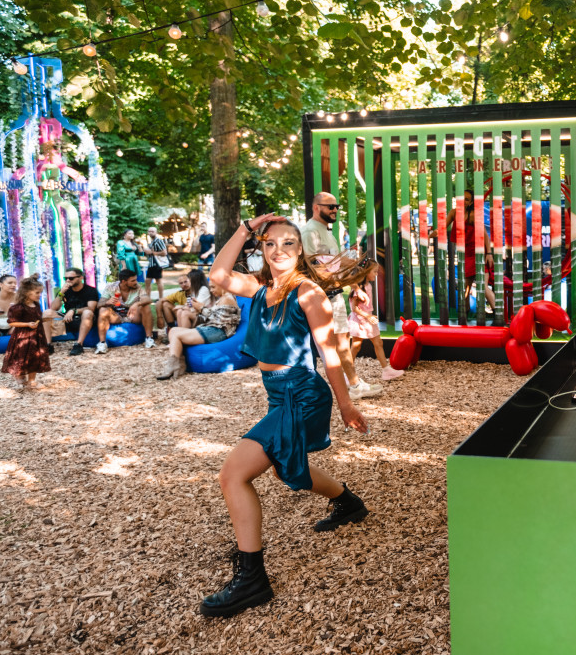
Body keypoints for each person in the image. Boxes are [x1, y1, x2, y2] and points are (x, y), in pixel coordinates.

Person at [199, 213, 370, 618]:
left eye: (288, 243)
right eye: (270, 243)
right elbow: (218, 274)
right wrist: (245, 229)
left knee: (232, 475)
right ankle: (348, 503)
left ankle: (252, 580)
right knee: (284, 467)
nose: (279, 250)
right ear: (261, 249)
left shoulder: (308, 292)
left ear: (300, 249)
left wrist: (346, 404)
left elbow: (329, 353)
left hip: (303, 394)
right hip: (279, 394)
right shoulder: (260, 288)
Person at [301, 192, 383, 399]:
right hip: (324, 297)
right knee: (334, 345)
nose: (335, 210)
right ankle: (349, 387)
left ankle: (353, 383)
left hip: (334, 295)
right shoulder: (310, 231)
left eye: (336, 206)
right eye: (330, 206)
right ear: (316, 207)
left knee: (342, 342)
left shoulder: (325, 231)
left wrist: (356, 285)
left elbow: (335, 264)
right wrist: (342, 279)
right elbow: (312, 265)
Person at [157, 279, 240, 380]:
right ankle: (179, 363)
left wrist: (201, 308)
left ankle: (172, 366)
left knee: (176, 335)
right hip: (212, 329)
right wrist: (198, 308)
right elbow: (213, 316)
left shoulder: (227, 298)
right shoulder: (223, 298)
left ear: (222, 285)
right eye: (210, 287)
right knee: (173, 330)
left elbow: (216, 320)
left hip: (218, 332)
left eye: (213, 287)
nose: (211, 290)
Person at [431, 189, 497, 315]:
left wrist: (489, 254)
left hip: (478, 253)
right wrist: (429, 236)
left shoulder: (473, 215)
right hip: (465, 254)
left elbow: (485, 235)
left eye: (467, 199)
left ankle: (497, 313)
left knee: (482, 286)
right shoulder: (454, 213)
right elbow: (441, 229)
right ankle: (465, 314)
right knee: (466, 287)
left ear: (471, 202)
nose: (463, 201)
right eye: (462, 198)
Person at [349, 260, 402, 381]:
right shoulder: (360, 288)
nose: (376, 274)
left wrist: (369, 317)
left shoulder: (368, 285)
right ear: (366, 272)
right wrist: (368, 317)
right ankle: (348, 371)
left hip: (368, 320)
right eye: (374, 271)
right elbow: (354, 308)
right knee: (356, 346)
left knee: (378, 343)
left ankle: (386, 371)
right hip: (360, 321)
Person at [1, 277, 50, 390]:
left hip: (36, 337)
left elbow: (37, 319)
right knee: (21, 357)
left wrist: (46, 319)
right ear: (27, 293)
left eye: (40, 292)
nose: (40, 295)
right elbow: (12, 323)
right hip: (23, 337)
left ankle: (32, 380)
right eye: (37, 292)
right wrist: (27, 324)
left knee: (35, 357)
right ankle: (20, 379)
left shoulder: (36, 305)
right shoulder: (18, 307)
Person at [95, 269, 156, 353]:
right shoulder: (111, 287)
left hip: (133, 315)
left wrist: (137, 304)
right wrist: (107, 302)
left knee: (146, 307)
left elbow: (148, 299)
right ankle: (102, 343)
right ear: (124, 281)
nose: (136, 282)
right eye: (133, 280)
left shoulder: (137, 287)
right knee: (103, 310)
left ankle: (149, 338)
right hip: (116, 316)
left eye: (136, 279)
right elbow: (99, 304)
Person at [44, 267, 100, 355]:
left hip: (85, 319)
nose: (68, 280)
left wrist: (74, 311)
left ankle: (79, 344)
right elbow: (54, 308)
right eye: (65, 278)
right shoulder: (65, 290)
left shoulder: (90, 290)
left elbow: (91, 308)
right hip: (68, 319)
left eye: (71, 278)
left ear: (81, 278)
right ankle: (48, 345)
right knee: (47, 313)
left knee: (87, 312)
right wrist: (61, 292)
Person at [141, 226, 169, 301]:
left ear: (156, 232)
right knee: (147, 281)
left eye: (152, 231)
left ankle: (160, 298)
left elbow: (164, 252)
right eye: (149, 231)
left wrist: (152, 252)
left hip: (157, 264)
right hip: (151, 264)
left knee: (158, 281)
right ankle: (148, 298)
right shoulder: (151, 242)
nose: (150, 233)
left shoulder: (158, 241)